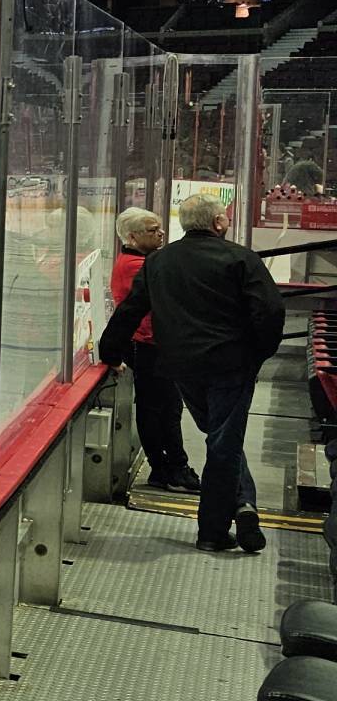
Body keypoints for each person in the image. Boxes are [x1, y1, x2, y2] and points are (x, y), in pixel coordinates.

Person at [99, 194, 286, 553]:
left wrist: (110, 351)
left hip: (182, 367)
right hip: (230, 366)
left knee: (220, 439)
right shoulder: (240, 259)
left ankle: (244, 505)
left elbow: (130, 311)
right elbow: (271, 311)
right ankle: (214, 531)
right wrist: (257, 355)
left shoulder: (158, 263)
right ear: (217, 223)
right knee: (222, 445)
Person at [109, 208, 200, 496]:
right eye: (152, 230)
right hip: (149, 346)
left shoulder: (141, 261)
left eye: (160, 228)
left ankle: (169, 467)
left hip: (154, 344)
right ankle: (169, 469)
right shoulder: (138, 266)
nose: (161, 233)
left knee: (164, 408)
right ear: (132, 236)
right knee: (161, 409)